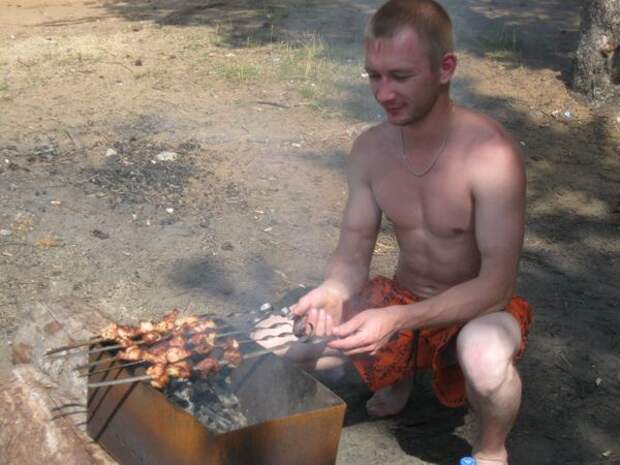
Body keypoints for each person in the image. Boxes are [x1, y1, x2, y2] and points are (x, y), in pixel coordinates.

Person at [252, 1, 532, 464]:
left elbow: (495, 288)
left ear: (445, 68)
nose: (383, 94)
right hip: (401, 301)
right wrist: (332, 291)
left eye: (400, 76)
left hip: (477, 312)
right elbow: (352, 255)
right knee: (273, 340)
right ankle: (399, 372)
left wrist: (397, 321)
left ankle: (490, 451)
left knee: (483, 358)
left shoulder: (492, 156)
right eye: (374, 76)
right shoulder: (370, 149)